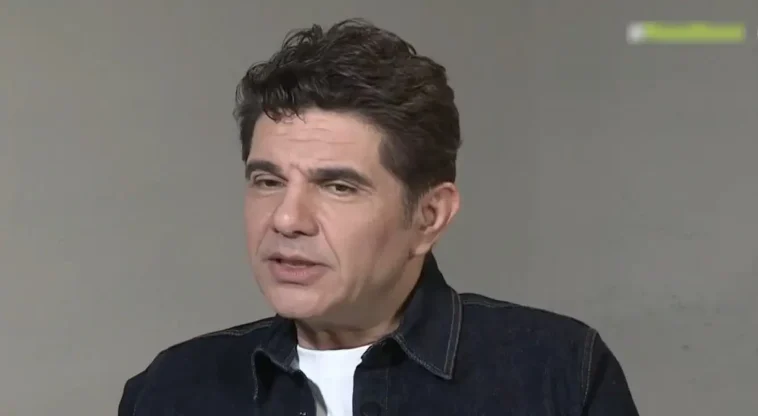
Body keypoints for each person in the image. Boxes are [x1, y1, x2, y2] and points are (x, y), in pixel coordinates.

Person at [118, 18, 639, 416]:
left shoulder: (556, 374)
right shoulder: (171, 390)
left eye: (338, 187)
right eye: (268, 181)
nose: (287, 219)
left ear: (430, 217)